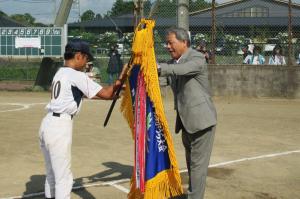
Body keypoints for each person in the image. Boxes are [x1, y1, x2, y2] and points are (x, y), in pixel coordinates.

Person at [38, 39, 127, 199]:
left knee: (52, 174)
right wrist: (121, 78)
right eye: (86, 58)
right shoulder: (76, 75)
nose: (87, 63)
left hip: (48, 124)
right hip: (60, 126)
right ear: (78, 56)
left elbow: (94, 95)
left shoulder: (61, 72)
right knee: (63, 178)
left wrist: (114, 93)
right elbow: (106, 94)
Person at [157, 27, 217, 199]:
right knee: (192, 165)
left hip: (202, 122)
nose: (167, 46)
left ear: (184, 42)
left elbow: (179, 70)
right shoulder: (174, 62)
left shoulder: (197, 58)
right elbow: (164, 78)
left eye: (171, 42)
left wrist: (158, 67)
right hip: (186, 122)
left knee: (197, 168)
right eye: (166, 43)